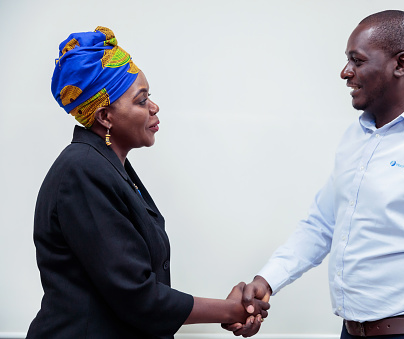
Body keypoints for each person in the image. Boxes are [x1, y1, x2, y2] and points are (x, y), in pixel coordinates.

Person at [222, 10, 404, 338]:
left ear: (401, 64)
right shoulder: (356, 137)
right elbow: (320, 225)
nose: (345, 72)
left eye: (357, 61)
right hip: (352, 332)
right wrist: (266, 280)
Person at [26, 26, 268, 339]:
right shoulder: (82, 170)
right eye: (141, 101)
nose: (154, 107)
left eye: (149, 96)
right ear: (105, 117)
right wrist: (233, 309)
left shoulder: (107, 167)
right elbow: (137, 296)